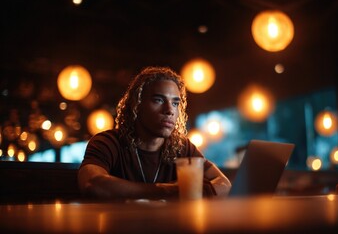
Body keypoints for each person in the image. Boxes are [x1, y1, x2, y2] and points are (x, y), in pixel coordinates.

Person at [78, 66, 231, 200]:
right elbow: (91, 183)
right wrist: (166, 190)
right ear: (137, 105)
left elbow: (224, 183)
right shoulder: (108, 142)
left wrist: (195, 192)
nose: (170, 110)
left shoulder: (182, 147)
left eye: (175, 103)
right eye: (158, 100)